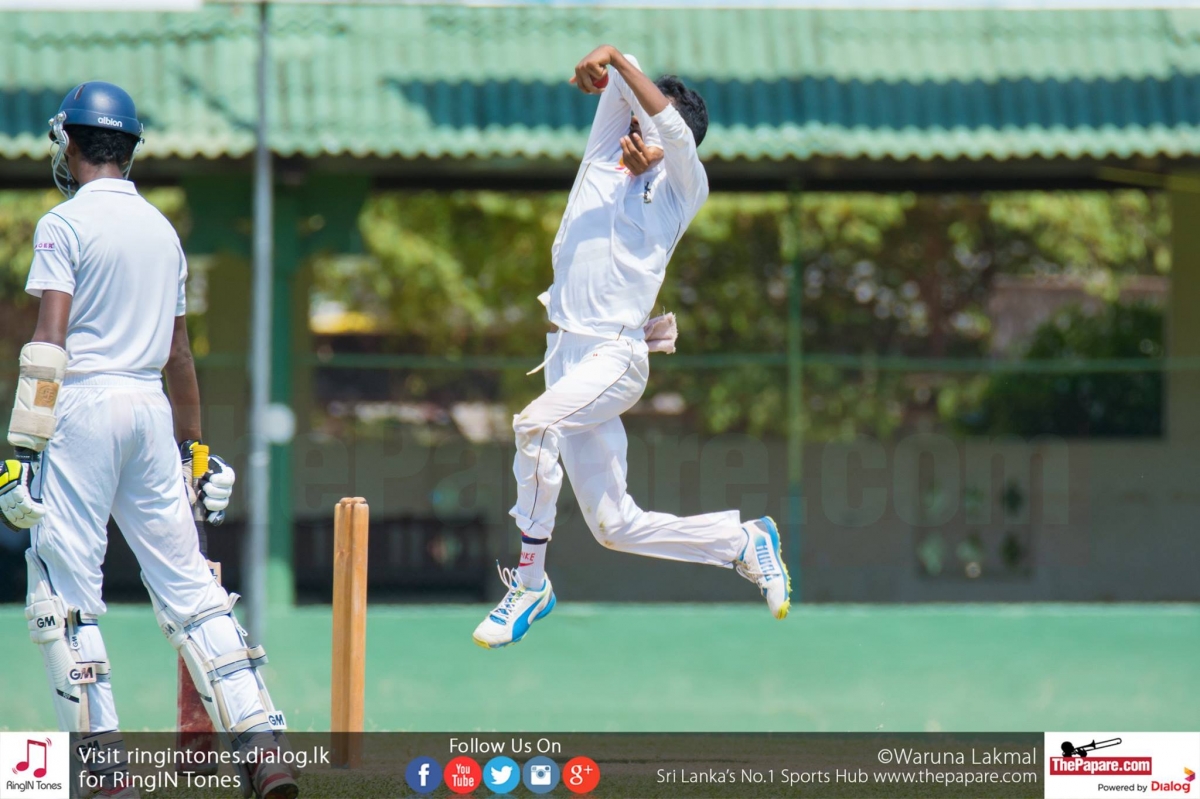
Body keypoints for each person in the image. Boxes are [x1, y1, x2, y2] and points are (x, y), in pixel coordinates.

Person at [0, 82, 296, 799]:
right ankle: (263, 747)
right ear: (129, 148)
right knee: (191, 588)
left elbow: (49, 343)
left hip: (83, 407)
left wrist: (21, 453)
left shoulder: (63, 223)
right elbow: (180, 355)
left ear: (71, 142)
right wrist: (196, 451)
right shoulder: (163, 232)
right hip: (150, 408)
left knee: (63, 594)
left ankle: (105, 771)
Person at [473, 46, 790, 649]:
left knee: (534, 426)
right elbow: (621, 77)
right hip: (565, 356)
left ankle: (531, 582)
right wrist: (608, 62)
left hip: (616, 357)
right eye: (637, 124)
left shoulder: (682, 190)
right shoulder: (602, 157)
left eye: (654, 130)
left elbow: (669, 125)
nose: (640, 137)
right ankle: (742, 542)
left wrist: (619, 64)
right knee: (614, 525)